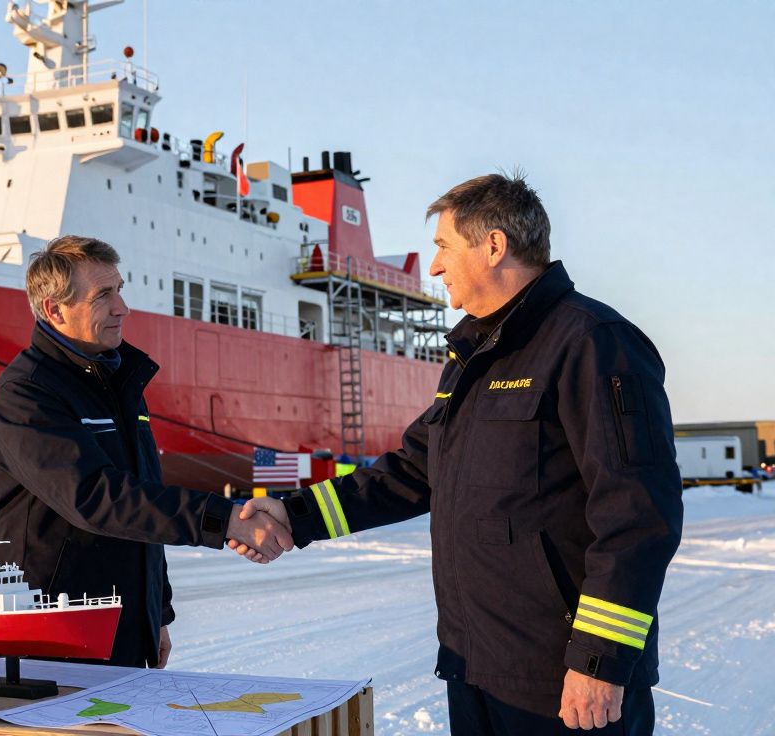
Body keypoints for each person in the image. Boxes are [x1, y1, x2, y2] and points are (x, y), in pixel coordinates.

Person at [233, 174, 682, 734]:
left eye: (444, 246)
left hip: (562, 679)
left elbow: (638, 518)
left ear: (494, 246)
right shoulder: (472, 356)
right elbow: (413, 472)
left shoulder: (593, 342)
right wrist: (293, 515)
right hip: (476, 667)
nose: (435, 266)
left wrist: (598, 661)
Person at [0, 235, 293, 669]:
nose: (122, 307)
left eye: (120, 289)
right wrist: (224, 523)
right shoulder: (27, 394)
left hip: (120, 626)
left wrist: (156, 613)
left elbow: (144, 499)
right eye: (103, 295)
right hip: (51, 637)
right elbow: (98, 498)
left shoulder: (116, 383)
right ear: (55, 310)